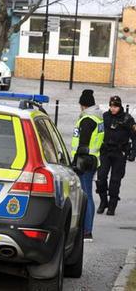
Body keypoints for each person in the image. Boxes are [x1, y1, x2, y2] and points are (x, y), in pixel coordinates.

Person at [71, 89, 104, 242]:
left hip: (84, 161)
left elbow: (82, 144)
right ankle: (86, 229)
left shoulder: (87, 120)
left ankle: (86, 231)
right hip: (93, 160)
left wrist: (75, 161)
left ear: (83, 105)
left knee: (86, 196)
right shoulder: (98, 118)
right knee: (88, 194)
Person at [96, 96, 136, 216]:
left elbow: (134, 137)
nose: (113, 109)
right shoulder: (105, 117)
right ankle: (103, 201)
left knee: (115, 181)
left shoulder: (127, 119)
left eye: (115, 106)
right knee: (101, 178)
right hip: (105, 152)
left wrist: (133, 152)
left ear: (120, 106)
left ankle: (112, 204)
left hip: (119, 153)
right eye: (111, 106)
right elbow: (98, 133)